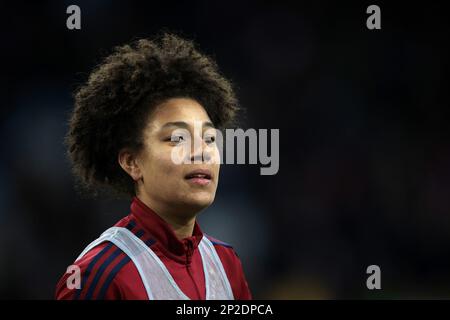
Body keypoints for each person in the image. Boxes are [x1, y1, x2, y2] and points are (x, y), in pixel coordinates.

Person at [55, 33, 252, 300]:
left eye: (208, 138)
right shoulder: (98, 276)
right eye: (177, 138)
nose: (201, 152)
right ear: (132, 162)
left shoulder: (226, 263)